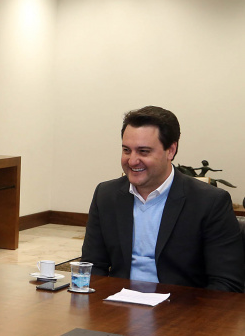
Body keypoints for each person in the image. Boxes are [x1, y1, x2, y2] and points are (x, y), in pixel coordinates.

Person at [81, 106, 244, 292]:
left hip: (183, 311)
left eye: (143, 151)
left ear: (171, 151)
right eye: (127, 150)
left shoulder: (210, 202)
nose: (132, 161)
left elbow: (227, 284)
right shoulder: (106, 195)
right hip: (118, 308)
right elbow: (92, 267)